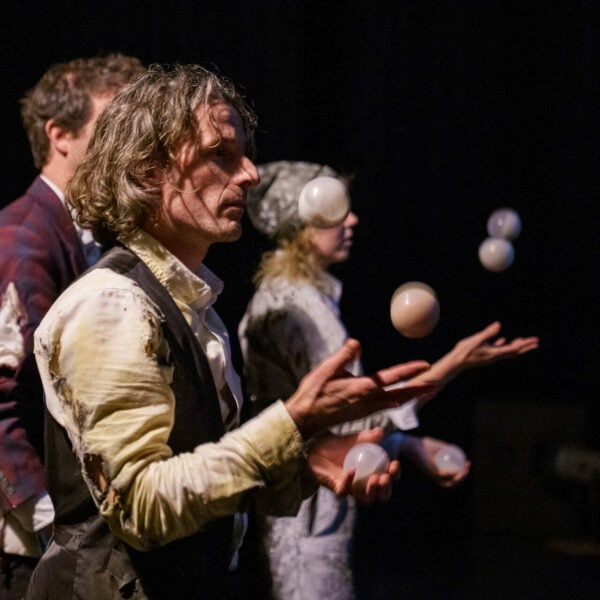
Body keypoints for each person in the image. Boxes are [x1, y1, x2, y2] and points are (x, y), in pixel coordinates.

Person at [23, 64, 442, 600]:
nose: (249, 174)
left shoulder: (191, 305)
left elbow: (197, 476)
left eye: (243, 154)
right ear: (149, 170)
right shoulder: (112, 304)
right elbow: (142, 507)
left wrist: (302, 461)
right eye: (220, 153)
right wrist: (291, 423)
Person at [238, 160, 540, 599]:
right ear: (302, 225)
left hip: (314, 509)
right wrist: (455, 362)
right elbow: (353, 414)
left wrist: (409, 446)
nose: (352, 220)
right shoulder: (297, 308)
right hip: (304, 516)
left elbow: (333, 422)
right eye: (338, 211)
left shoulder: (302, 297)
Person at [0, 53, 143, 599]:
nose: (129, 145)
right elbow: (6, 398)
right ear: (59, 135)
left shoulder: (87, 232)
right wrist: (53, 521)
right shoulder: (24, 237)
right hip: (29, 545)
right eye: (112, 127)